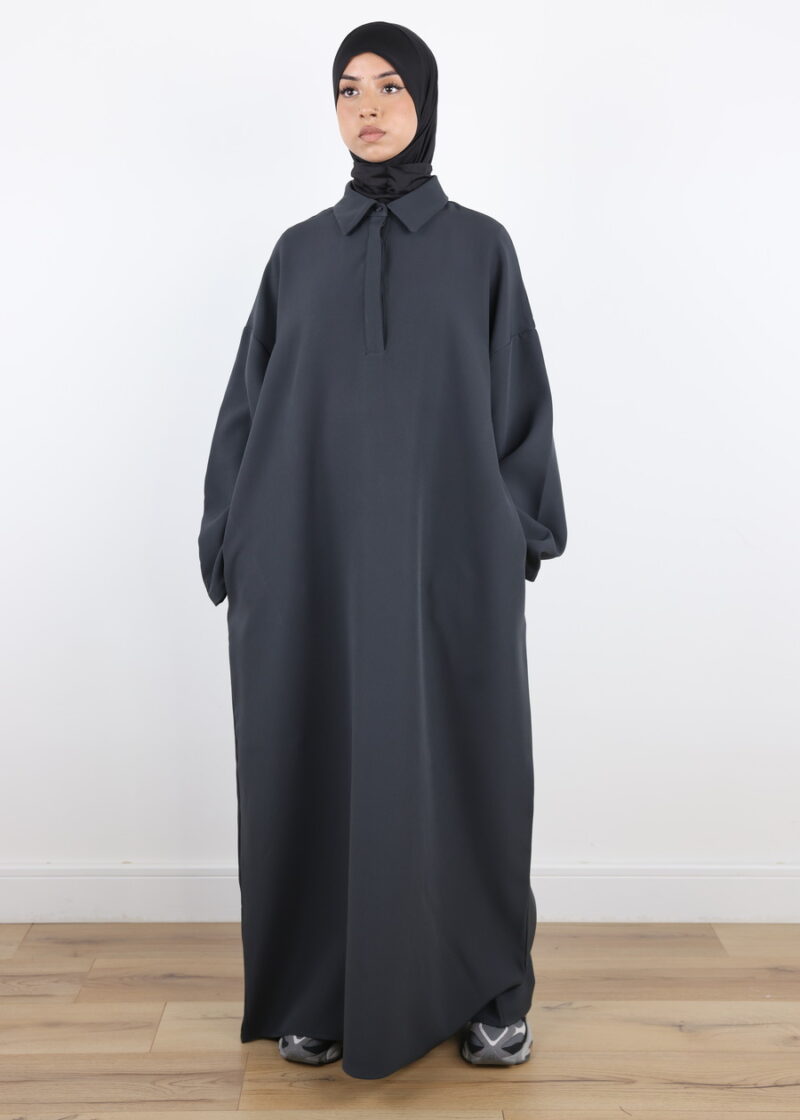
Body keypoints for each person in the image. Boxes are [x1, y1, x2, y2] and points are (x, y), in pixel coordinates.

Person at [198, 20, 568, 1081]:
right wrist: (229, 535)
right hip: (307, 555)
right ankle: (317, 989)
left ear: (426, 101)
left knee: (468, 763)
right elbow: (248, 404)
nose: (367, 107)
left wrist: (516, 531)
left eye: (390, 86)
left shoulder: (482, 248)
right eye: (348, 88)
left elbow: (519, 401)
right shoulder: (298, 253)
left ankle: (486, 989)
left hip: (447, 557)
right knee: (311, 755)